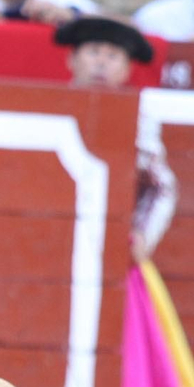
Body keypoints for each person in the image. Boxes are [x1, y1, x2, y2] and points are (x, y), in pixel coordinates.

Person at [57, 16, 176, 259]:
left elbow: (159, 187)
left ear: (126, 70)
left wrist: (142, 234)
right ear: (71, 60)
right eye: (93, 51)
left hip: (109, 244)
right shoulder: (49, 108)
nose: (101, 62)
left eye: (112, 56)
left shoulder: (139, 121)